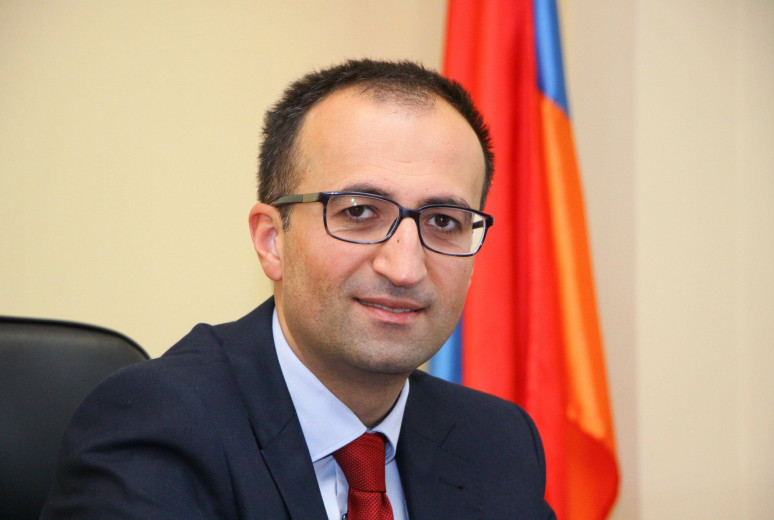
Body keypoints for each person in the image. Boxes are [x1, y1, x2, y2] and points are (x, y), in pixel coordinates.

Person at [41, 59, 556, 520]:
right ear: (272, 241)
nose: (404, 268)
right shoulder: (156, 427)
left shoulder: (498, 441)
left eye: (443, 221)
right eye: (359, 212)